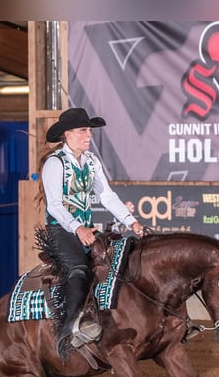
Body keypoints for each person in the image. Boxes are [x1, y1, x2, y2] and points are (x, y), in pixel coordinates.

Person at [40, 107, 145, 356]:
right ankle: (69, 330)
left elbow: (107, 196)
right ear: (67, 134)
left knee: (116, 265)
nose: (89, 135)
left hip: (85, 230)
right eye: (83, 130)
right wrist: (77, 228)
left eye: (89, 130)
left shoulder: (91, 162)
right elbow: (54, 205)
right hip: (60, 230)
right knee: (78, 269)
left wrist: (132, 222)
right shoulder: (54, 164)